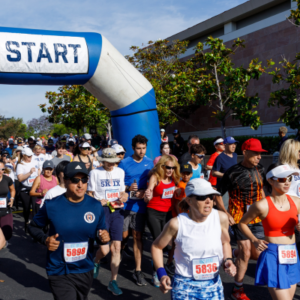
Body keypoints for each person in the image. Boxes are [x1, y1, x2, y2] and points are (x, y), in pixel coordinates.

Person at [28, 162, 110, 300]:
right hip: (59, 270)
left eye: (84, 180)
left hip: (85, 269)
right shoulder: (52, 205)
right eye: (75, 180)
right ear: (65, 181)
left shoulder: (95, 206)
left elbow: (100, 232)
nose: (80, 184)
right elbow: (32, 226)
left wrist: (104, 237)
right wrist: (45, 239)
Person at [151, 178, 236, 299]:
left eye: (211, 196)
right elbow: (156, 247)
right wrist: (161, 274)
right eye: (202, 197)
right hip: (184, 286)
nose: (208, 201)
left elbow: (225, 242)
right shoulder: (176, 224)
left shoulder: (221, 218)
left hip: (213, 284)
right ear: (189, 200)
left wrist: (228, 261)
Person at [239, 163, 300, 300]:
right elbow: (242, 223)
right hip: (273, 255)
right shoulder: (261, 205)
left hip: (292, 254)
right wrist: (254, 240)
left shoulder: (297, 202)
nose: (287, 182)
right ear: (271, 181)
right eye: (282, 179)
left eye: (289, 179)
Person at [217, 138, 267, 300]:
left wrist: (267, 209)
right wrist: (226, 213)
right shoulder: (232, 172)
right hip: (239, 218)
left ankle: (234, 252)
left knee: (257, 254)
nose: (259, 156)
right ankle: (237, 289)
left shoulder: (261, 169)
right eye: (256, 153)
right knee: (246, 253)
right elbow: (217, 194)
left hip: (258, 218)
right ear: (245, 153)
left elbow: (262, 191)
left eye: (260, 153)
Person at [87, 148, 128, 295]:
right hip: (102, 211)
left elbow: (123, 191)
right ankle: (96, 261)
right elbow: (89, 194)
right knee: (104, 250)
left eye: (113, 162)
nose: (111, 165)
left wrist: (124, 196)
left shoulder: (120, 172)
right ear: (102, 160)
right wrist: (98, 200)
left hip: (117, 210)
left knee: (116, 247)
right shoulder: (95, 173)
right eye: (108, 162)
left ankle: (113, 281)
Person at [119, 134, 154, 286]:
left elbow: (154, 182)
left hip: (140, 206)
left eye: (144, 148)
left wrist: (146, 190)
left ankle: (138, 270)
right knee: (124, 236)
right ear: (133, 148)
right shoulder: (124, 163)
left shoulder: (150, 163)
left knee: (138, 236)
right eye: (138, 148)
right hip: (126, 205)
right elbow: (117, 184)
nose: (141, 151)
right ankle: (118, 253)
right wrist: (127, 188)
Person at [144, 155, 180, 287]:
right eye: (168, 167)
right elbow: (149, 192)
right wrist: (148, 194)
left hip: (168, 214)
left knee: (170, 245)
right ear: (162, 166)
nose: (170, 170)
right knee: (159, 243)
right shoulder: (156, 177)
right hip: (153, 212)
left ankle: (166, 265)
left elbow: (175, 192)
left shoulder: (174, 178)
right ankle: (157, 273)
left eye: (173, 167)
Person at [16, 148, 38, 233]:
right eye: (28, 156)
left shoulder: (34, 161)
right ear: (24, 155)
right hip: (25, 189)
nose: (30, 157)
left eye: (31, 155)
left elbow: (38, 172)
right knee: (26, 208)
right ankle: (26, 222)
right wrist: (29, 173)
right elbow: (20, 178)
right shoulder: (20, 164)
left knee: (36, 208)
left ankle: (36, 226)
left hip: (34, 188)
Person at [0, 161, 16, 245]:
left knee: (8, 233)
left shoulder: (7, 179)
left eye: (2, 169)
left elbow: (12, 189)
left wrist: (12, 198)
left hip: (5, 209)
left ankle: (3, 241)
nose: (0, 171)